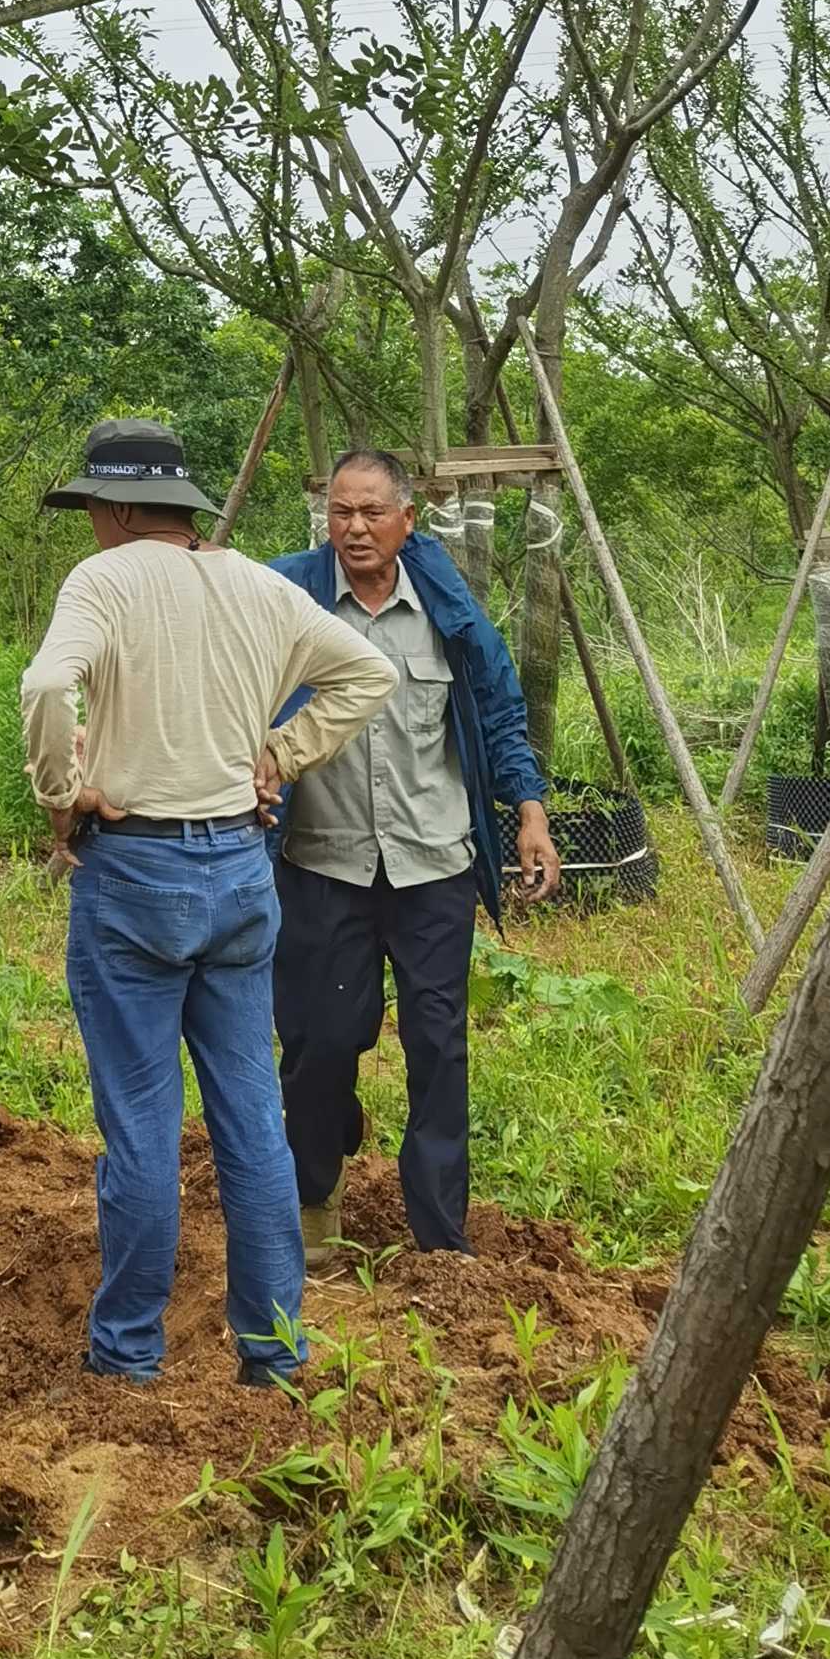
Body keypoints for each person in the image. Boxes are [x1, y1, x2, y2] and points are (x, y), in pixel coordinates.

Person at [21, 418, 399, 1388]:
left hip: (134, 874)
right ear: (180, 507)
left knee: (144, 1125)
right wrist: (280, 754)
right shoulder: (255, 584)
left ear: (108, 509)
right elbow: (370, 672)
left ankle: (129, 1352)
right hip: (237, 869)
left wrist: (63, 794)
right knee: (251, 1118)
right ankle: (273, 1350)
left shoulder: (101, 581)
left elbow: (45, 683)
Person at [264, 448, 559, 1265]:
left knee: (438, 1043)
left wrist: (529, 812)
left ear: (406, 520)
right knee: (320, 1039)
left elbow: (500, 716)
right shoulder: (286, 598)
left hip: (434, 865)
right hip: (325, 864)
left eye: (370, 513)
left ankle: (438, 1239)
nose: (354, 529)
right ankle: (314, 1204)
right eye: (339, 513)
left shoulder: (447, 610)